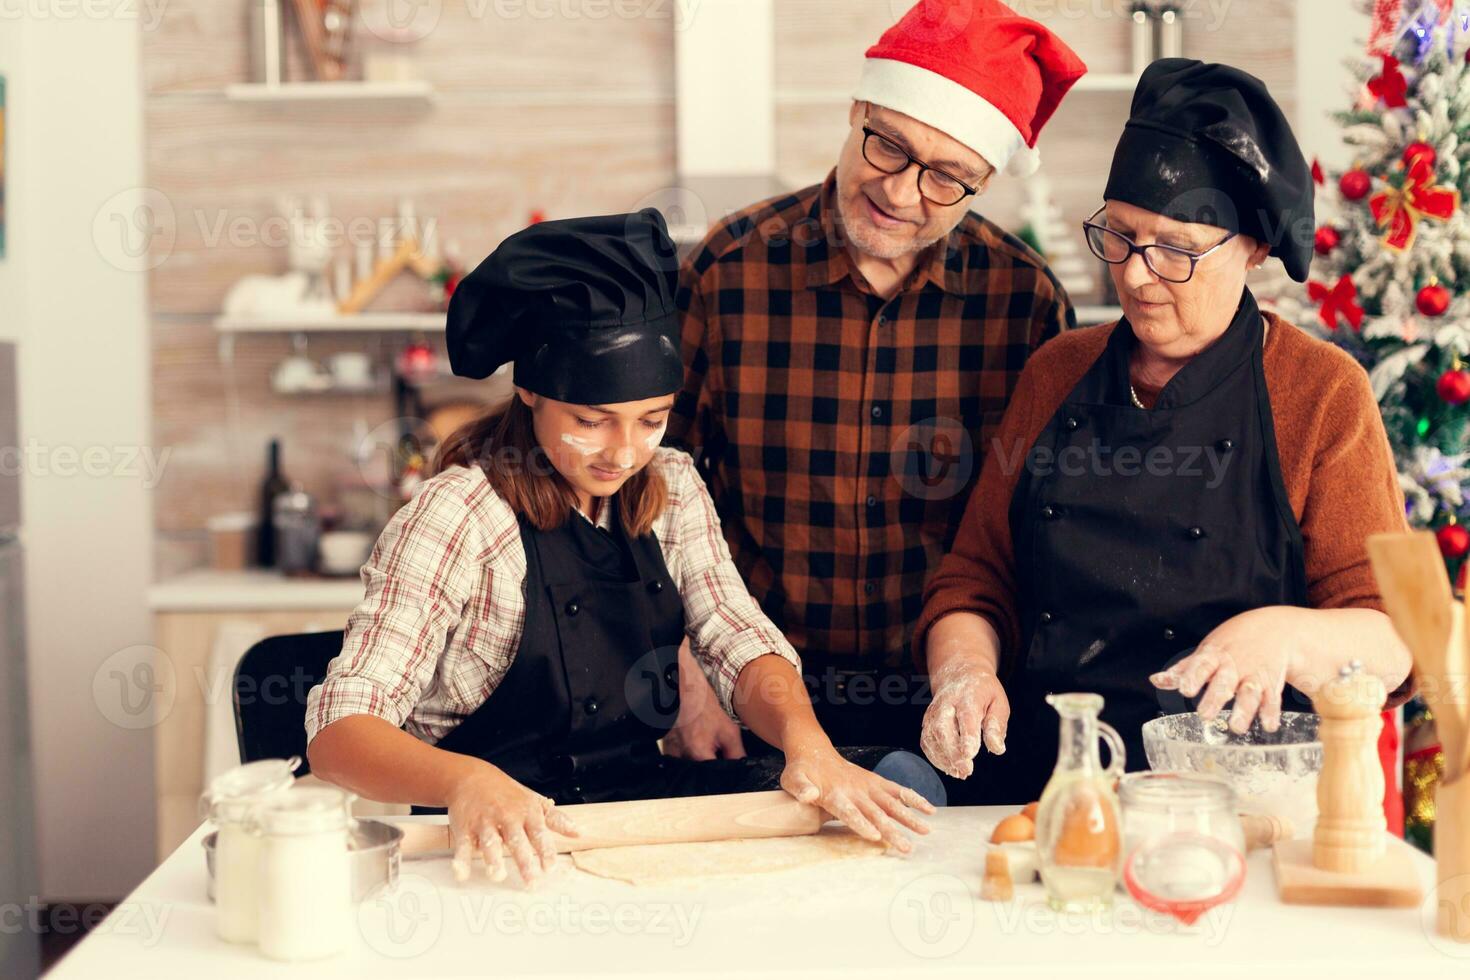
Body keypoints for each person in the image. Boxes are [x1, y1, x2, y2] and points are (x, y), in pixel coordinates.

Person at [305, 210, 939, 887]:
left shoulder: (671, 484)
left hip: (636, 812)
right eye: (591, 421)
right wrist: (465, 781)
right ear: (530, 392)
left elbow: (735, 632)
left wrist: (806, 744)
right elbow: (339, 733)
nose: (624, 452)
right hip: (493, 844)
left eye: (651, 420)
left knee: (895, 782)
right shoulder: (459, 516)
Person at [913, 59, 1416, 803]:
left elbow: (1393, 639)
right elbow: (976, 577)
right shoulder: (1058, 372)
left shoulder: (1320, 392)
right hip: (1049, 790)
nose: (1139, 276)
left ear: (1252, 248)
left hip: (1240, 808)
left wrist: (1286, 635)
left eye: (1177, 250)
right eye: (1119, 236)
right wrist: (966, 670)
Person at [661, 0, 1086, 795]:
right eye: (887, 144)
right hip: (749, 695)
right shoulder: (730, 269)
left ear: (984, 183)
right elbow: (645, 490)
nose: (900, 190)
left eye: (947, 176)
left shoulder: (1022, 303)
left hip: (948, 703)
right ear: (856, 110)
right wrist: (683, 666)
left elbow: (1041, 529)